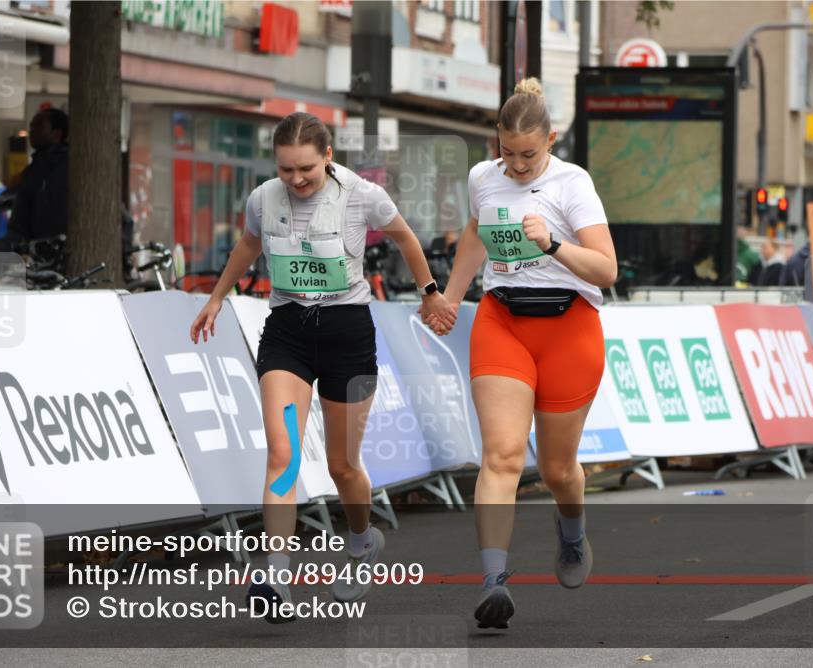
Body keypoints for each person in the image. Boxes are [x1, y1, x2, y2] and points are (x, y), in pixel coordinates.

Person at [190, 112, 456, 622]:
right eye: (286, 169)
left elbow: (403, 236)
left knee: (343, 466)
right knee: (283, 452)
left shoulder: (361, 195)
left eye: (306, 170)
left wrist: (429, 294)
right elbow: (249, 244)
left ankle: (361, 540)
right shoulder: (264, 198)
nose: (295, 180)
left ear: (328, 156)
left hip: (347, 335)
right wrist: (217, 298)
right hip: (287, 331)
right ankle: (275, 573)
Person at [423, 78, 617, 629]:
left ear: (551, 140)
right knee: (503, 456)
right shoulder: (483, 177)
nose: (518, 164)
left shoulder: (572, 183)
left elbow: (607, 269)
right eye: (507, 152)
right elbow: (476, 233)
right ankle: (493, 584)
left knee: (558, 471)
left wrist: (553, 244)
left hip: (568, 328)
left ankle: (573, 533)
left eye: (529, 154)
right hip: (502, 318)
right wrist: (452, 298)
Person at [0, 107, 69, 250]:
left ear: (57, 134)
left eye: (39, 126)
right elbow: (19, 222)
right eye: (31, 126)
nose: (32, 131)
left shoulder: (70, 168)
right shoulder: (33, 170)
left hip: (60, 252)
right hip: (39, 254)